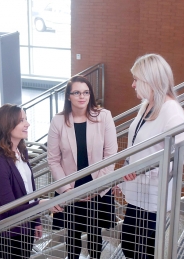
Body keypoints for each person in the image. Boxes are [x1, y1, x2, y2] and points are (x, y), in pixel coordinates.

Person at [119, 54, 184, 259]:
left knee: (138, 250)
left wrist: (143, 171)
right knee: (130, 246)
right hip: (136, 193)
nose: (132, 85)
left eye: (136, 80)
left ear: (150, 80)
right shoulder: (147, 105)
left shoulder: (172, 111)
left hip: (152, 199)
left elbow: (177, 159)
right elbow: (137, 144)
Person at [47, 75, 118, 259]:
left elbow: (110, 155)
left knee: (95, 236)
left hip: (98, 186)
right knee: (72, 238)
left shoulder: (104, 116)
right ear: (68, 96)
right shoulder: (58, 121)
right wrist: (68, 190)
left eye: (86, 92)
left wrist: (96, 188)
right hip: (70, 189)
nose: (82, 96)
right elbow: (53, 159)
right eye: (77, 92)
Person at [0, 104, 62, 259]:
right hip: (9, 233)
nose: (27, 124)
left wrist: (36, 221)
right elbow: (9, 207)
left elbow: (30, 191)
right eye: (22, 120)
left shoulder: (21, 152)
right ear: (7, 125)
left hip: (25, 226)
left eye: (26, 119)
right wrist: (41, 205)